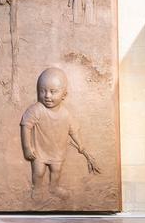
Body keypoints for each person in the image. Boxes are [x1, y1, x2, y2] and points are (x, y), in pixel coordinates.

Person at [20, 67, 100, 200]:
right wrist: (27, 147)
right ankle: (37, 189)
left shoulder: (66, 114)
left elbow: (73, 131)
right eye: (42, 91)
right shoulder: (36, 110)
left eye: (53, 92)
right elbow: (26, 126)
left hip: (57, 151)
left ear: (64, 94)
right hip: (39, 151)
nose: (47, 96)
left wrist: (80, 145)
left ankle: (54, 187)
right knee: (38, 172)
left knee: (56, 171)